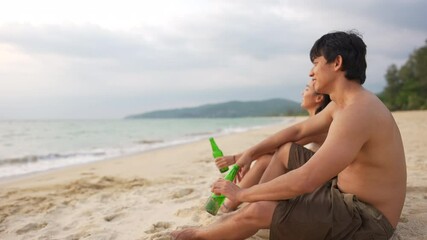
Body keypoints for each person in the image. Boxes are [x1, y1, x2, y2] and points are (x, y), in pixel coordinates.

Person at [171, 31, 406, 240]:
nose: (311, 71)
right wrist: (248, 154)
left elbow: (307, 179)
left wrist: (243, 192)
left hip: (367, 218)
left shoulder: (358, 112)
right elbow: (297, 131)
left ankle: (204, 234)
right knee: (285, 151)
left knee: (257, 210)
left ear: (337, 63)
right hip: (343, 193)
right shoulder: (343, 103)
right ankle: (252, 209)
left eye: (316, 62)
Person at [216, 80, 331, 213]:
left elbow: (277, 146)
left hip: (319, 181)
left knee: (266, 159)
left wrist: (236, 158)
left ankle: (231, 203)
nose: (302, 93)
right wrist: (242, 157)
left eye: (306, 89)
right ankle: (235, 201)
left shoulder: (318, 125)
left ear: (318, 98)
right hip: (315, 175)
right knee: (267, 157)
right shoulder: (315, 121)